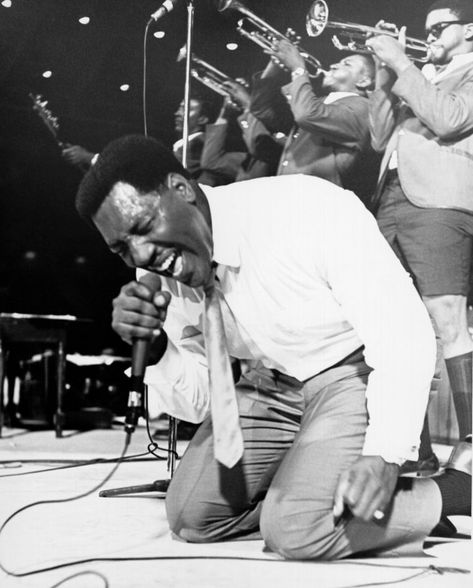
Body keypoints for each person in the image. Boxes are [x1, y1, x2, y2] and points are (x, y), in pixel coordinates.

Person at [75, 134, 470, 560]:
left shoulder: (302, 207)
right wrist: (156, 353)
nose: (141, 253)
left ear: (181, 189)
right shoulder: (158, 275)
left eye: (143, 227)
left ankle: (453, 493)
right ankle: (313, 498)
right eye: (121, 248)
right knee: (191, 516)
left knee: (295, 531)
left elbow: (401, 331)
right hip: (268, 383)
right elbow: (205, 400)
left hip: (350, 371)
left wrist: (385, 454)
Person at [366, 0, 473, 474]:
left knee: (446, 318)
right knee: (392, 325)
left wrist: (401, 62)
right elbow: (377, 136)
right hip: (389, 198)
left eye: (440, 27)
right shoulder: (417, 76)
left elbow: (450, 120)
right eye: (425, 29)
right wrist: (381, 71)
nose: (427, 35)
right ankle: (415, 451)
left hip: (439, 203)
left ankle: (470, 451)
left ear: (469, 32)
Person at [249, 42, 380, 204]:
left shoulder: (364, 108)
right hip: (289, 197)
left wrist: (298, 68)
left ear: (364, 81)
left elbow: (307, 114)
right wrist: (276, 63)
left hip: (317, 203)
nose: (333, 65)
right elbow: (262, 109)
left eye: (347, 64)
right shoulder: (319, 102)